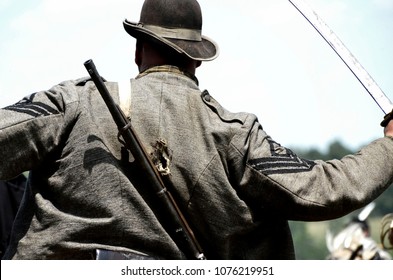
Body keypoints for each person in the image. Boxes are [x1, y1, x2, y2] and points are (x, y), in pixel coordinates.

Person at [1, 0, 393, 260]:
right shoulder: (233, 135)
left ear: (137, 50)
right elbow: (326, 191)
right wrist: (390, 146)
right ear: (197, 61)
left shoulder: (69, 104)